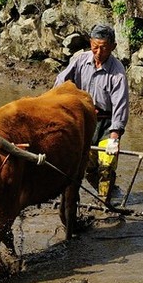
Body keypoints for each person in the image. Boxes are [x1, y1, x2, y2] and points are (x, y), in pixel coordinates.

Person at [54, 23, 129, 202]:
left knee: (107, 165)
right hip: (84, 121)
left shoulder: (117, 72)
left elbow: (120, 104)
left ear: (113, 47)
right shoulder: (80, 61)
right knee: (85, 165)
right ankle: (108, 191)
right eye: (95, 47)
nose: (98, 52)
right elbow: (61, 82)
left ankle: (105, 200)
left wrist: (115, 136)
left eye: (104, 48)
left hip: (106, 124)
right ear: (90, 43)